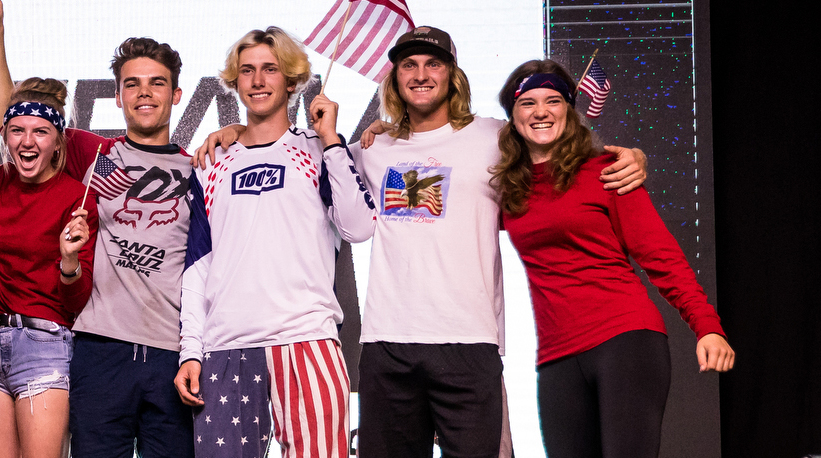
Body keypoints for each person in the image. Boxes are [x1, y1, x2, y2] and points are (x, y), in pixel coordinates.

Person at [190, 26, 654, 458]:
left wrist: (626, 154)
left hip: (469, 342)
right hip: (386, 347)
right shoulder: (372, 148)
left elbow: (553, 141)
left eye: (433, 64)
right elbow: (322, 178)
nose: (420, 74)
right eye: (409, 65)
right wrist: (235, 133)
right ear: (395, 79)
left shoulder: (495, 136)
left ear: (452, 74)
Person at [0, 0, 208, 454]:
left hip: (168, 352)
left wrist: (234, 131)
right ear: (116, 96)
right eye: (132, 84)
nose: (144, 93)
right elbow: (6, 115)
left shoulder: (201, 167)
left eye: (157, 83)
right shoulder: (94, 154)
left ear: (177, 95)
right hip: (100, 347)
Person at [491, 59, 733, 458]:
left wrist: (707, 326)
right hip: (556, 355)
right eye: (527, 103)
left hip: (626, 339)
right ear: (512, 117)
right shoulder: (509, 190)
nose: (540, 112)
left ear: (570, 110)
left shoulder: (608, 172)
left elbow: (662, 256)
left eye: (553, 100)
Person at [176, 27, 376, 458]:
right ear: (234, 81)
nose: (258, 80)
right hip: (227, 346)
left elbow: (359, 227)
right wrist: (190, 350)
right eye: (247, 71)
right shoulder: (211, 164)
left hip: (307, 341)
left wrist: (331, 140)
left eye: (270, 69)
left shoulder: (319, 152)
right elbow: (197, 268)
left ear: (291, 79)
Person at [0, 78, 97, 458]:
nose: (28, 141)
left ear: (59, 141)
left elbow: (77, 300)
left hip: (45, 345)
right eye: (17, 131)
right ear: (5, 136)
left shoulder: (76, 197)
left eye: (41, 132)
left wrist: (69, 260)